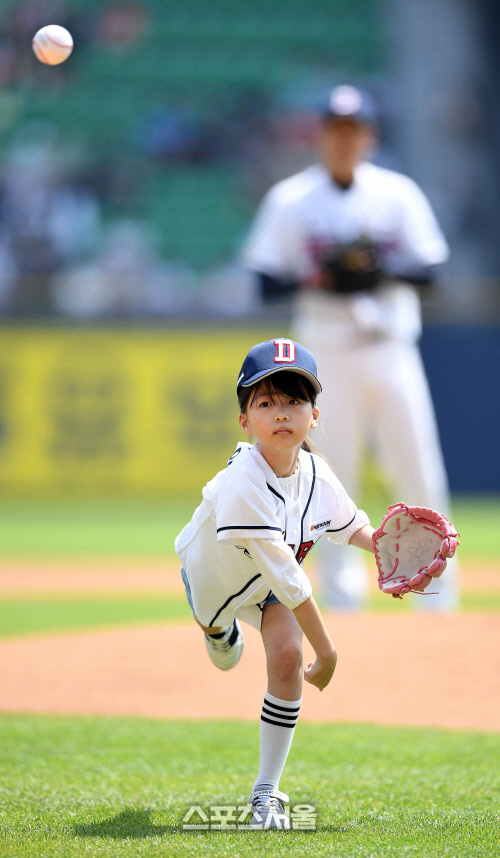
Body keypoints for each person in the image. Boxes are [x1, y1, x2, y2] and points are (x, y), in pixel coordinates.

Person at [241, 84, 457, 611]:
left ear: (370, 136)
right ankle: (341, 600)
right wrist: (322, 277)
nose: (344, 139)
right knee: (327, 482)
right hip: (326, 357)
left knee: (418, 472)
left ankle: (435, 596)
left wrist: (376, 271)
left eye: (353, 130)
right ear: (320, 136)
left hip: (390, 348)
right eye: (335, 129)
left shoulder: (396, 194)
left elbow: (431, 270)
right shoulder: (291, 200)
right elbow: (265, 279)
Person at [175, 337, 376, 829]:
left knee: (286, 655)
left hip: (268, 586)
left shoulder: (316, 473)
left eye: (295, 400)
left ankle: (267, 792)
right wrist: (328, 654)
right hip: (214, 582)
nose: (281, 413)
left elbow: (353, 528)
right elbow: (296, 586)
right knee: (222, 643)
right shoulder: (243, 482)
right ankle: (221, 633)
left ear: (315, 415)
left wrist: (400, 548)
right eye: (265, 402)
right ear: (245, 421)